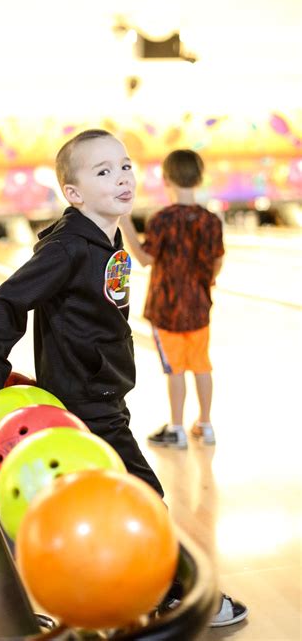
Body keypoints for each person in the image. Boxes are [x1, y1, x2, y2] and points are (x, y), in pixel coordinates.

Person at [0, 132, 247, 628]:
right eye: (103, 172)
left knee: (109, 498)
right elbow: (8, 300)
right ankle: (178, 594)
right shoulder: (69, 250)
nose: (122, 177)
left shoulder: (104, 234)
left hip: (103, 392)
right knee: (145, 495)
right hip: (85, 398)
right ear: (73, 194)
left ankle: (114, 588)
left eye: (124, 166)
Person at [120, 148, 223, 450]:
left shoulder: (161, 219)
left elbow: (144, 259)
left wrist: (125, 223)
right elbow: (217, 262)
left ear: (166, 179)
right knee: (202, 365)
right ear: (200, 178)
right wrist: (207, 283)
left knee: (175, 369)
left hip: (167, 310)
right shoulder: (211, 220)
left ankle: (176, 428)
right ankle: (205, 424)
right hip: (200, 307)